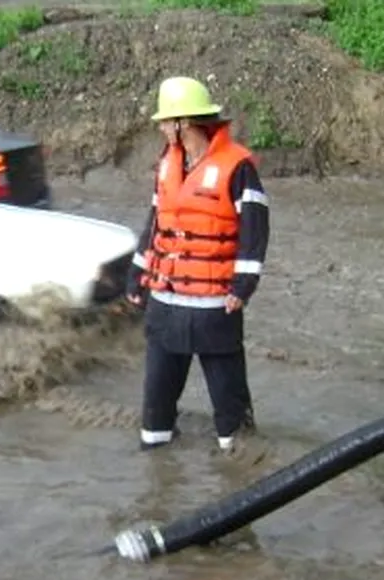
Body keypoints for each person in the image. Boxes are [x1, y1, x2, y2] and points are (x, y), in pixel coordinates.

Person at [125, 76, 271, 451]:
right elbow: (155, 223)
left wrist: (243, 286)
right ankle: (158, 472)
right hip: (166, 302)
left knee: (231, 408)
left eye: (164, 121)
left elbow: (255, 230)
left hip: (214, 307)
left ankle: (244, 471)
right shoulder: (167, 164)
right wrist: (138, 273)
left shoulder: (237, 167)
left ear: (183, 123)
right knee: (156, 404)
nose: (160, 128)